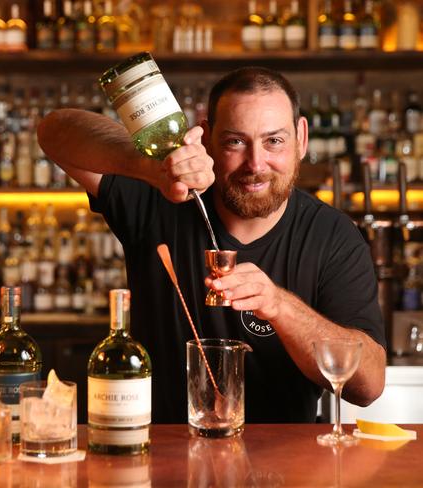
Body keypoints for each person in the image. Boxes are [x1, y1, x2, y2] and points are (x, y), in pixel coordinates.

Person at [37, 67, 386, 423]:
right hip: (161, 458)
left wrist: (279, 305)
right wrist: (150, 166)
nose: (256, 163)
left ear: (302, 138)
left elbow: (368, 386)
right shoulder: (158, 199)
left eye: (274, 141)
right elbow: (53, 130)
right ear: (206, 138)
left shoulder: (332, 236)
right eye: (235, 141)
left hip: (283, 465)